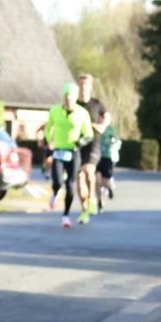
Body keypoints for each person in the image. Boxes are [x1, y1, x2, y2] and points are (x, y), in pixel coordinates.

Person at [45, 83, 93, 228]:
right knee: (58, 182)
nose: (68, 100)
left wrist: (81, 141)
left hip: (73, 152)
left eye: (71, 97)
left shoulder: (82, 113)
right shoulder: (54, 111)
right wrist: (50, 142)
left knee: (71, 185)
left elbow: (89, 134)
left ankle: (65, 216)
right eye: (66, 97)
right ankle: (55, 193)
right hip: (59, 151)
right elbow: (48, 129)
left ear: (75, 98)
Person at [76, 73, 111, 224]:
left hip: (93, 145)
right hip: (78, 145)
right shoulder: (74, 104)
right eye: (81, 84)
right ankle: (84, 209)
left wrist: (102, 126)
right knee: (79, 178)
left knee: (89, 171)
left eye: (86, 85)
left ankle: (92, 199)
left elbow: (107, 116)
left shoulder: (97, 103)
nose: (83, 87)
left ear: (90, 87)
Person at [97, 124, 121, 210]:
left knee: (105, 182)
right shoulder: (94, 126)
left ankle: (109, 188)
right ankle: (100, 201)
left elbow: (116, 140)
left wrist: (111, 141)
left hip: (107, 158)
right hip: (96, 159)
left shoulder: (110, 128)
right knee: (97, 181)